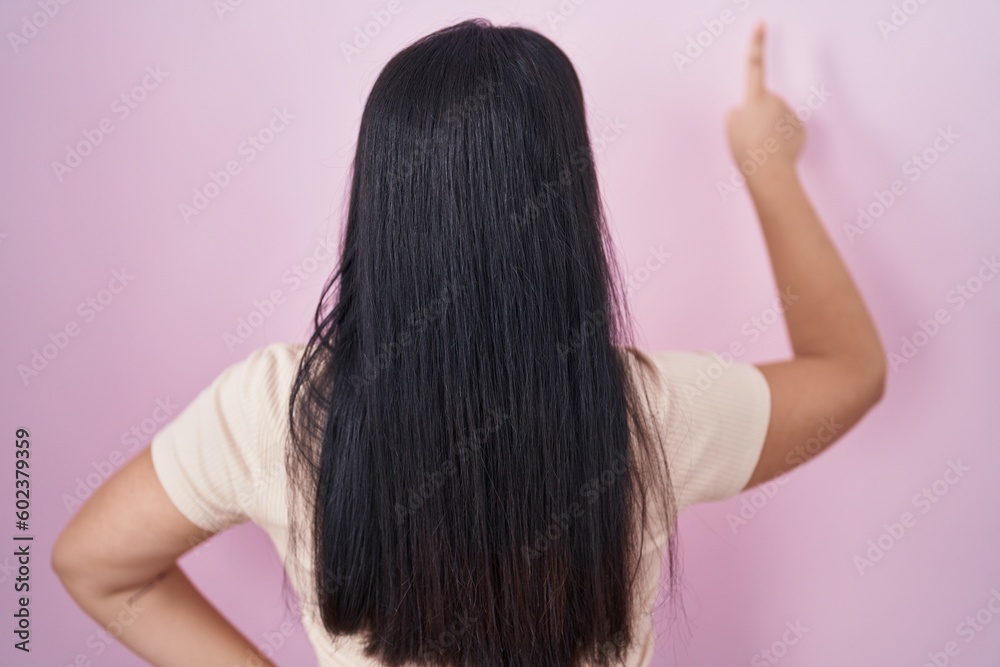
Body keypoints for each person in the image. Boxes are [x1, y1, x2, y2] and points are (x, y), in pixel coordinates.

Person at [52, 19, 885, 667]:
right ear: (563, 207)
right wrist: (767, 160)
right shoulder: (649, 416)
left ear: (381, 203)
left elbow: (94, 564)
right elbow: (849, 371)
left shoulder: (271, 410)